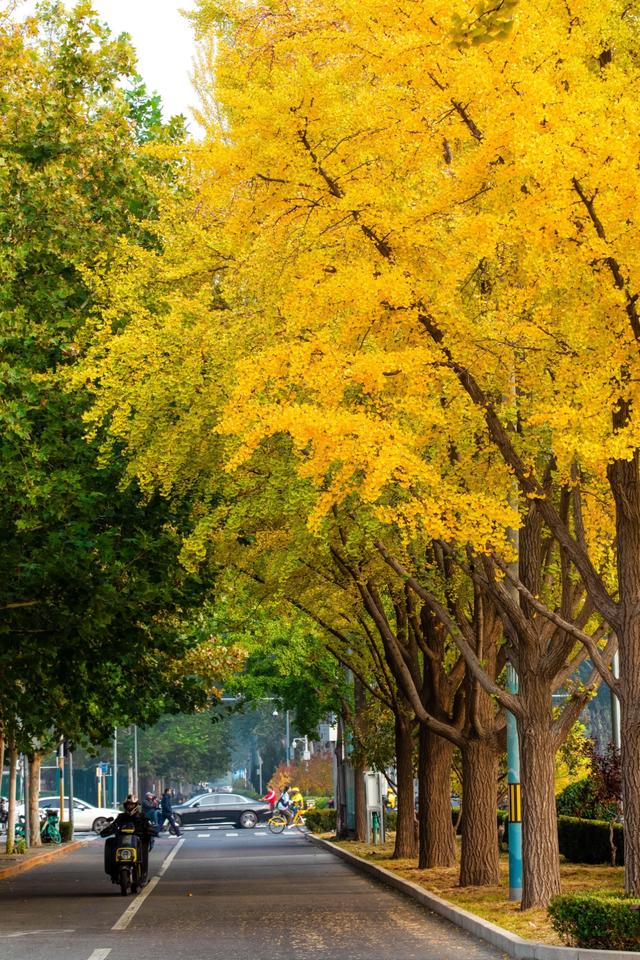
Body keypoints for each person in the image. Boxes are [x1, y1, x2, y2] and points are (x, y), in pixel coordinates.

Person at [101, 795, 158, 880]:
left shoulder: (142, 816)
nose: (130, 806)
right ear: (125, 805)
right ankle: (113, 872)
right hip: (122, 841)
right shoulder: (121, 816)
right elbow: (114, 825)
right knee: (110, 842)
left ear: (136, 805)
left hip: (138, 841)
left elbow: (148, 825)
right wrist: (107, 830)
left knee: (144, 846)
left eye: (132, 804)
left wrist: (150, 829)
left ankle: (143, 874)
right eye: (128, 805)